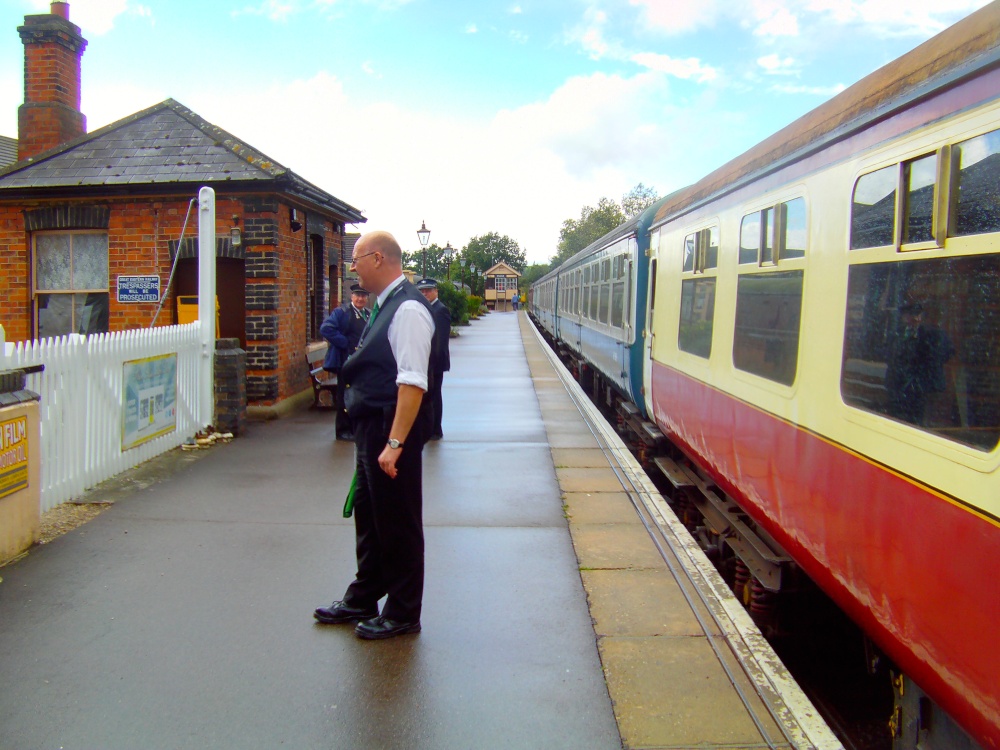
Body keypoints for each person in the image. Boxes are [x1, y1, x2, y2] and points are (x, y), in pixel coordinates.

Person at [314, 231, 435, 640]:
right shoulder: (385, 306)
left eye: (357, 259)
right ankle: (365, 595)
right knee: (370, 517)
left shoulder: (409, 311)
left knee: (398, 522)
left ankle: (402, 612)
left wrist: (395, 443)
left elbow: (413, 382)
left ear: (379, 259)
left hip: (389, 430)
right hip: (372, 430)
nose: (353, 267)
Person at [319, 283, 371, 440]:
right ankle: (342, 431)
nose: (360, 299)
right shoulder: (341, 313)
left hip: (360, 363)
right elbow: (326, 328)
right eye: (357, 295)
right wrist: (345, 343)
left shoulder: (368, 314)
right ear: (352, 296)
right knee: (344, 397)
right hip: (345, 362)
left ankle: (354, 428)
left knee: (357, 396)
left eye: (363, 296)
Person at [415, 277, 451, 440]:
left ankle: (435, 429)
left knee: (434, 396)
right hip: (427, 361)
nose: (425, 293)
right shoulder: (426, 308)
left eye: (428, 291)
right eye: (422, 291)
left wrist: (430, 363)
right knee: (429, 396)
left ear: (436, 291)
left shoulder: (440, 310)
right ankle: (430, 428)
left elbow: (440, 341)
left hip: (434, 362)